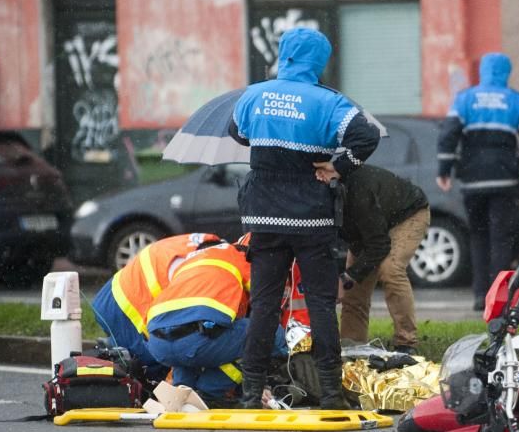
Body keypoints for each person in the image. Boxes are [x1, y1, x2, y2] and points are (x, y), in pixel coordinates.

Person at [228, 27, 380, 409]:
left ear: (284, 55)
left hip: (262, 214)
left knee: (263, 304)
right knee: (321, 304)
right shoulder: (329, 103)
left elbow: (238, 133)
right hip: (311, 218)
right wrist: (337, 167)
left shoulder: (254, 95)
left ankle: (251, 393)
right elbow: (367, 137)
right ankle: (330, 392)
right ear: (320, 61)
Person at [436, 52, 519, 310]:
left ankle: (479, 295)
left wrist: (444, 169)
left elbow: (448, 135)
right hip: (504, 181)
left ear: (483, 71)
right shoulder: (515, 100)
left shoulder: (465, 98)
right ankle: (499, 298)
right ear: (506, 72)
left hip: (473, 181)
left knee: (478, 236)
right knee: (501, 238)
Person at [145, 238, 286, 407]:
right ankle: (208, 392)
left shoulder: (191, 261)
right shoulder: (241, 256)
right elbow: (263, 301)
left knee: (188, 347)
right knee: (268, 332)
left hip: (158, 343)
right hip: (196, 340)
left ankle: (182, 393)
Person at [90, 232, 221, 377]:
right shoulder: (208, 269)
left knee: (154, 355)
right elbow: (179, 329)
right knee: (155, 362)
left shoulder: (212, 247)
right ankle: (105, 369)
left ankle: (110, 353)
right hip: (126, 307)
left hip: (113, 294)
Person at [337, 165, 430, 354]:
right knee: (353, 289)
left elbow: (378, 245)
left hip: (407, 214)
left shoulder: (358, 193)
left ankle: (406, 343)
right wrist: (346, 279)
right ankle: (352, 348)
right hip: (368, 226)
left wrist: (346, 278)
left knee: (390, 269)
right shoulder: (323, 201)